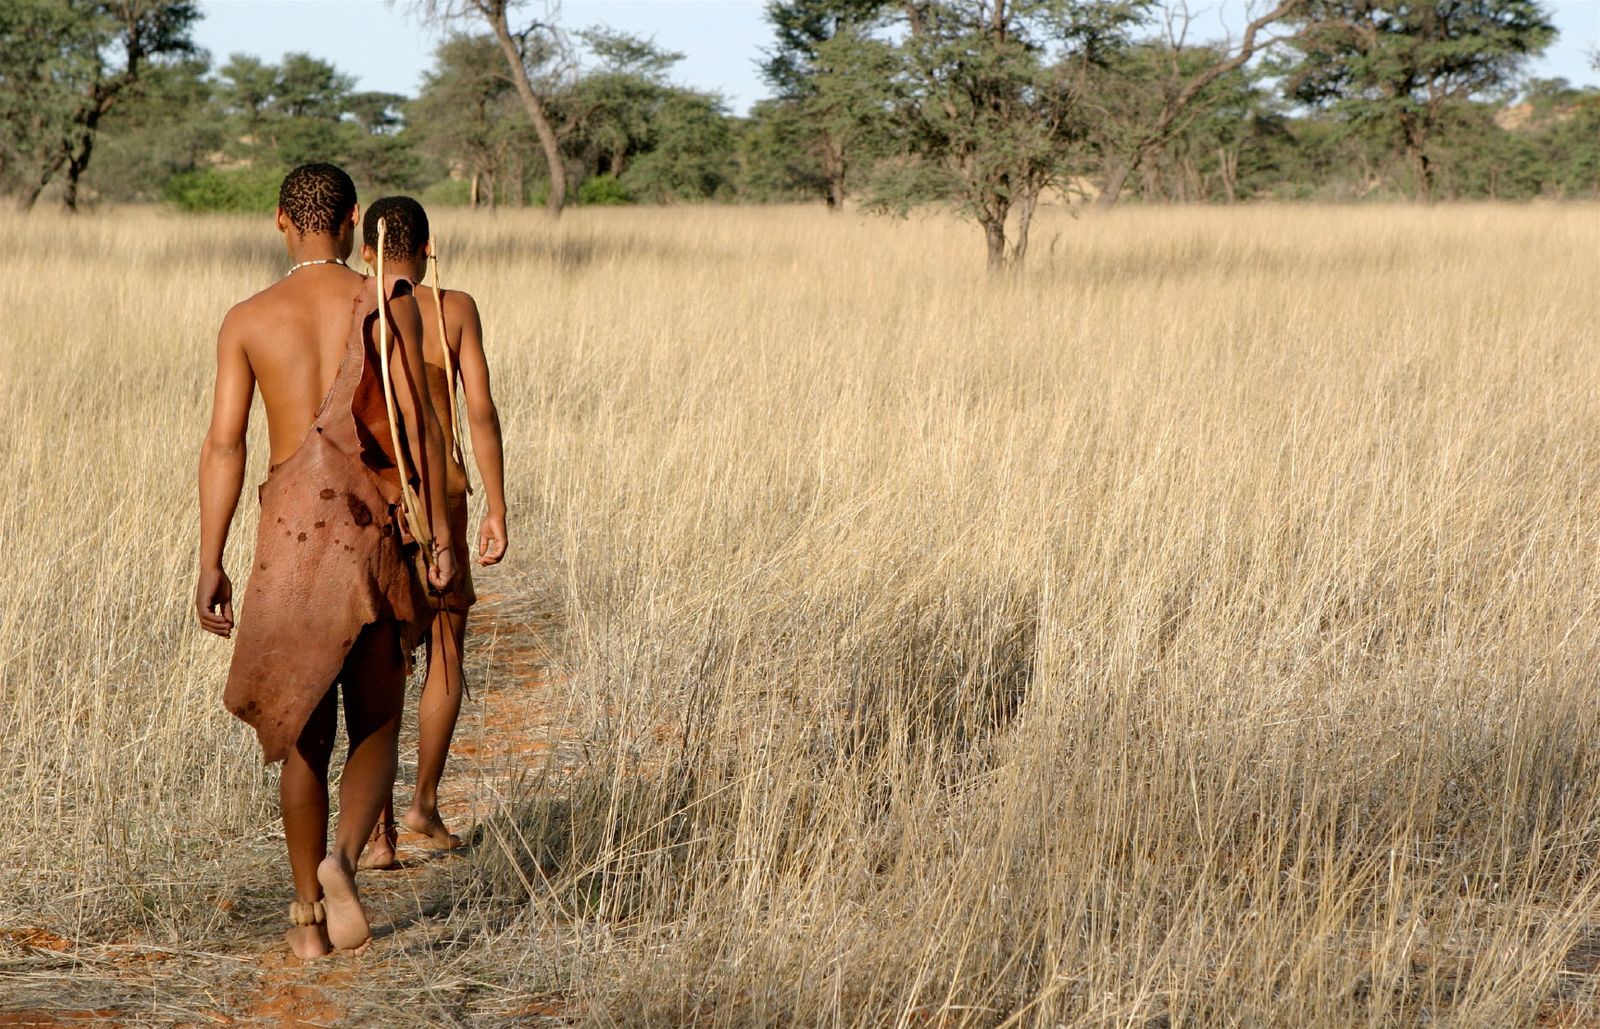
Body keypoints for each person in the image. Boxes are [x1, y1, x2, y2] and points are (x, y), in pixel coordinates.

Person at [196, 164, 456, 960]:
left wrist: (210, 560)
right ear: (352, 223)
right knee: (376, 717)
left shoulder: (246, 319)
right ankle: (344, 858)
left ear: (280, 221)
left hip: (287, 536)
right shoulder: (383, 304)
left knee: (302, 733)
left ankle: (307, 916)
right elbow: (417, 428)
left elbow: (225, 445)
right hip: (371, 526)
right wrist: (440, 534)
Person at [352, 195, 509, 870]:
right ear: (428, 247)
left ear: (366, 252)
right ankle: (423, 802)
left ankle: (379, 830)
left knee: (378, 660)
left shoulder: (351, 308)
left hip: (373, 502)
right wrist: (497, 504)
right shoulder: (454, 308)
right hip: (442, 497)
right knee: (445, 645)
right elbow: (481, 412)